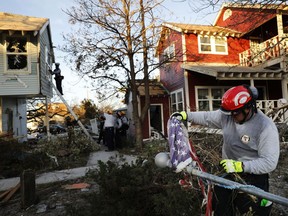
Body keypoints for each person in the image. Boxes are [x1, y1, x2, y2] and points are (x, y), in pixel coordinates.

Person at [172, 85, 279, 216]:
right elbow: (207, 117)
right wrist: (186, 115)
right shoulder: (229, 115)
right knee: (221, 210)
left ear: (248, 108)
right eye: (229, 113)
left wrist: (241, 166)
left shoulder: (265, 127)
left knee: (251, 212)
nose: (232, 117)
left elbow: (269, 162)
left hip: (253, 178)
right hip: (227, 172)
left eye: (235, 113)